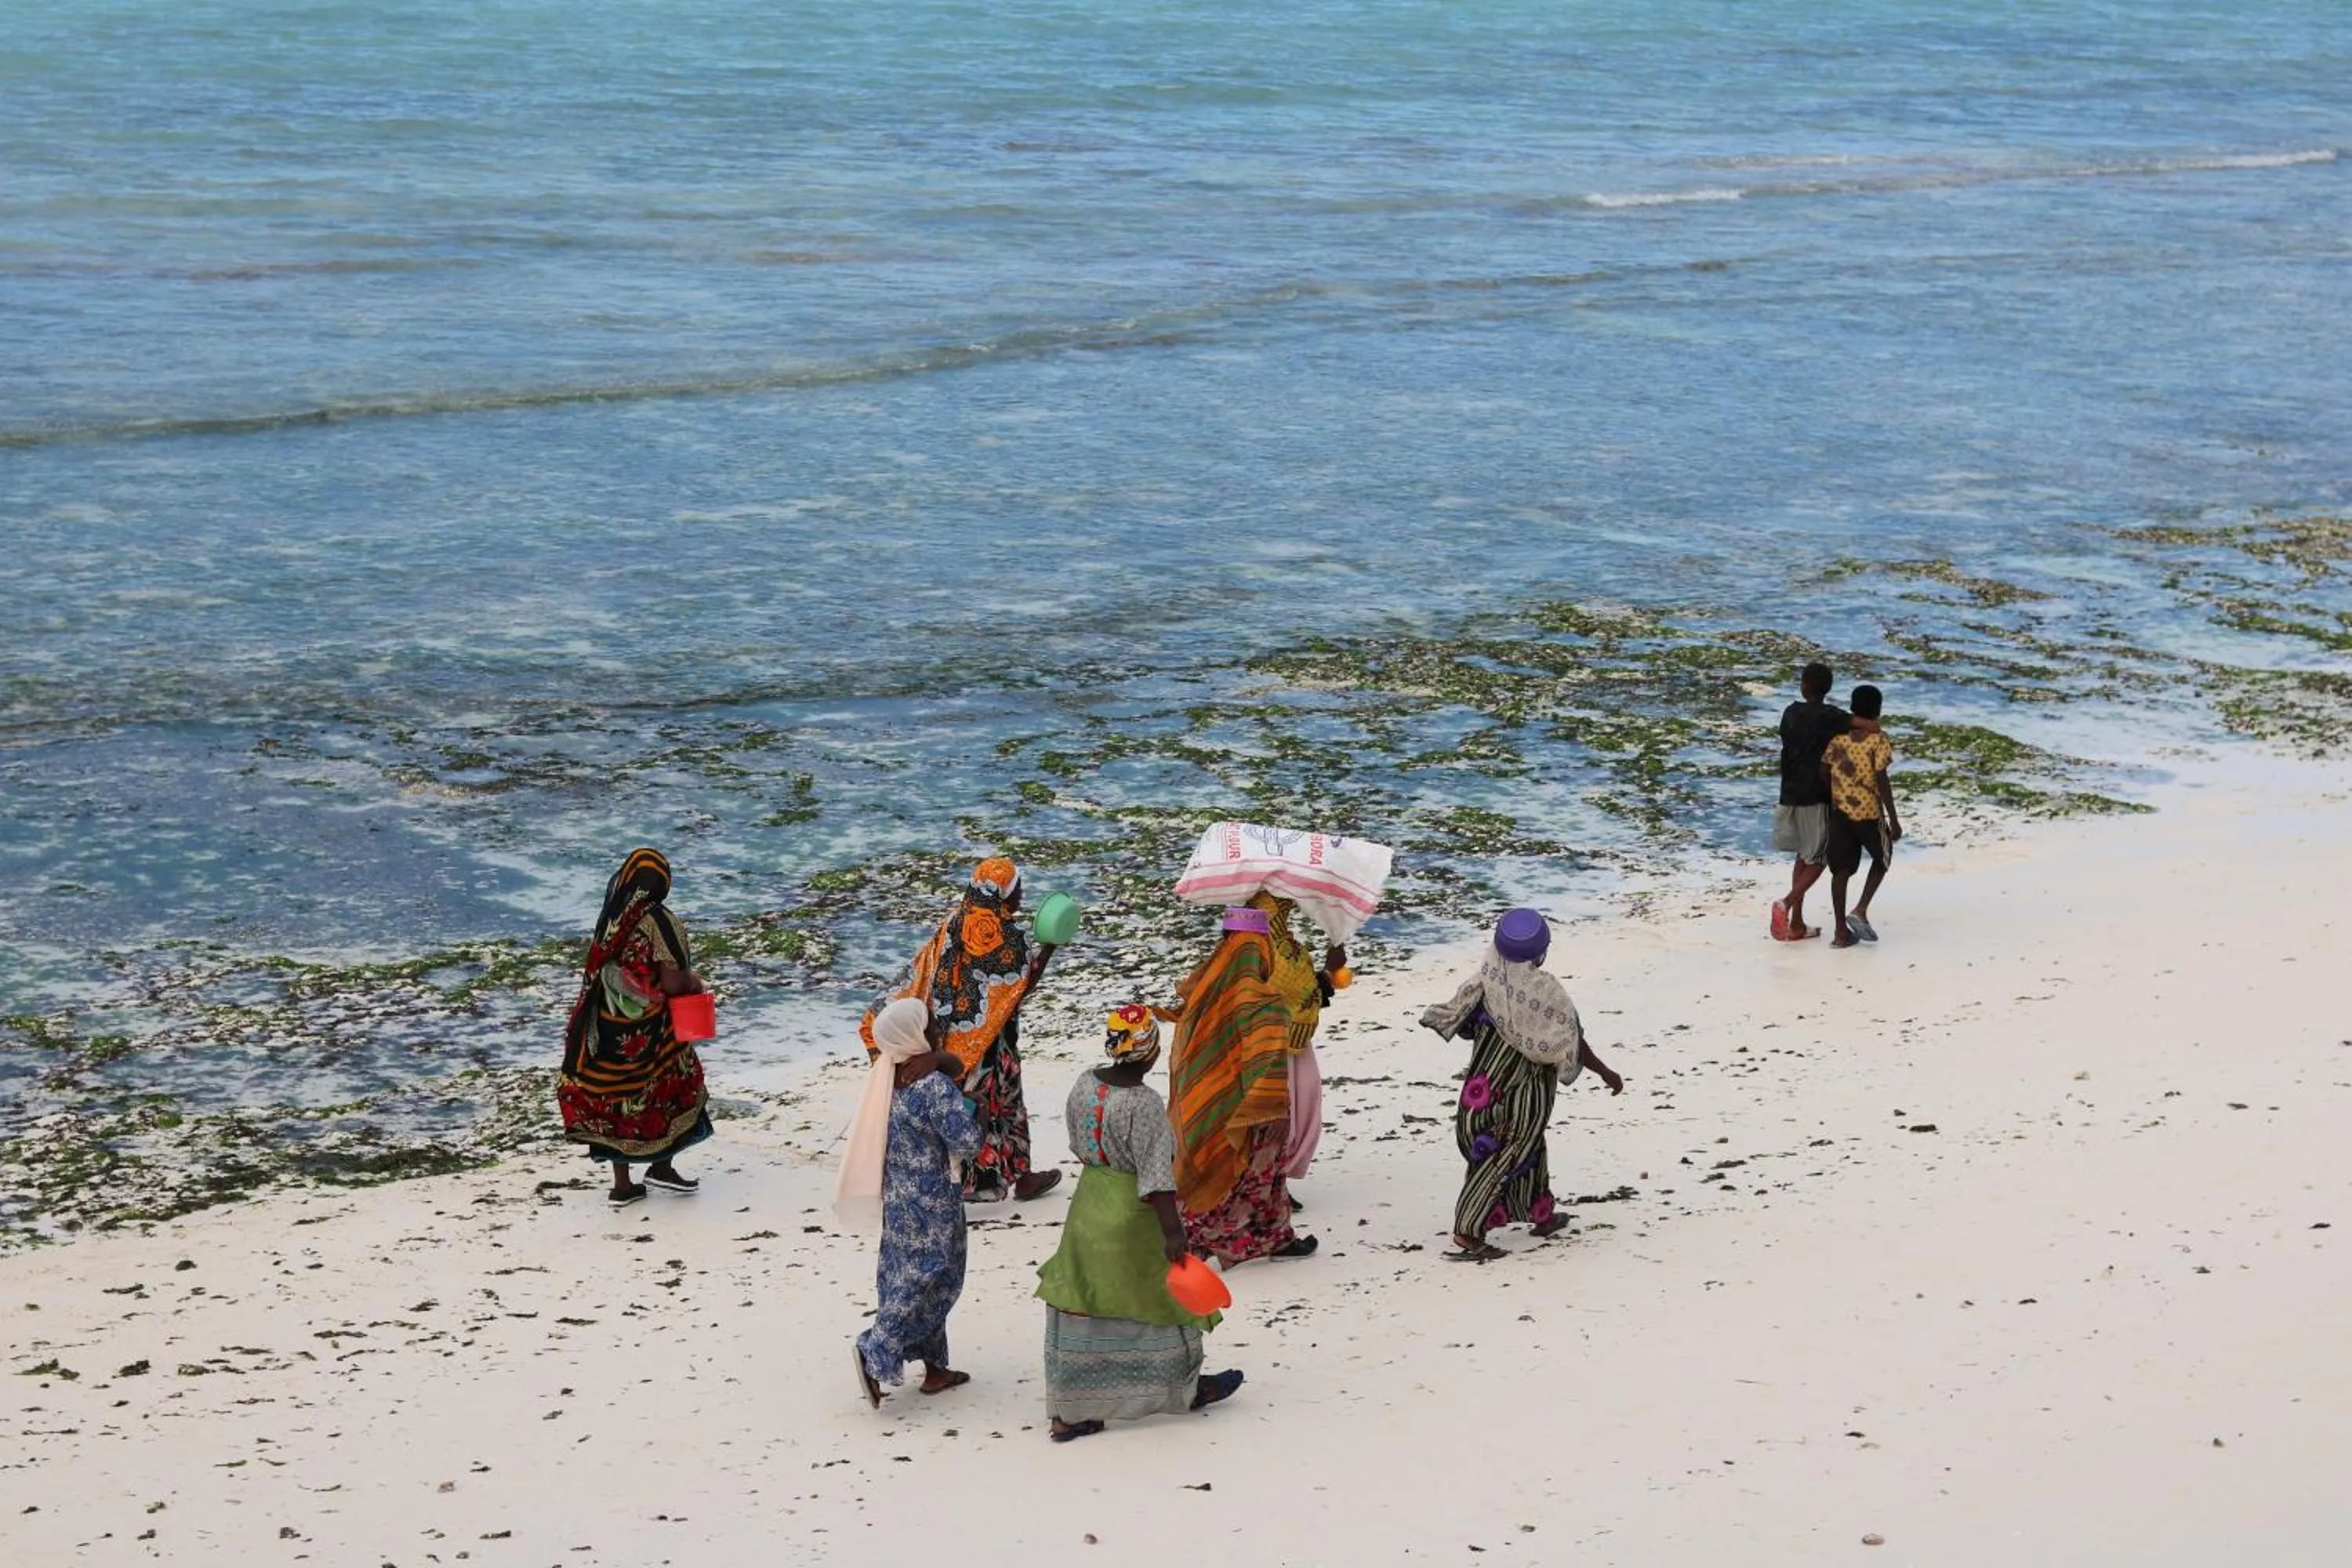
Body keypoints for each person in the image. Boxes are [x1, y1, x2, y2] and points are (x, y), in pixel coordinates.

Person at [1033, 1006, 1246, 1443]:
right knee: (1160, 1299)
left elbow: (1077, 1143)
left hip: (1089, 1203)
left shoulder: (1085, 1084)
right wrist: (1174, 1233)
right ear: (1149, 1052)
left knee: (1084, 1298)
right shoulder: (1144, 1104)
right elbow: (1156, 1178)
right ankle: (1183, 1388)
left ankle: (1071, 1413)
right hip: (1131, 1213)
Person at [1419, 908, 1623, 1263]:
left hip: (1479, 1093)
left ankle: (1540, 1214)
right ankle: (1468, 1231)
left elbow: (1461, 1023)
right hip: (1523, 1096)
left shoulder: (1484, 983)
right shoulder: (1546, 993)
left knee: (1525, 1150)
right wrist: (1605, 1072)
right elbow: (1573, 1039)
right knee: (1506, 1155)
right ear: (1541, 952)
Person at [861, 858, 1062, 1203]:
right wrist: (1050, 947)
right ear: (1003, 893)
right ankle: (1020, 1176)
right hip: (994, 1042)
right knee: (1004, 1104)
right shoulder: (1010, 937)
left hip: (945, 1037)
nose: (1021, 896)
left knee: (959, 1105)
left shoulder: (954, 922)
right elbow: (1021, 986)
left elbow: (925, 970)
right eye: (1017, 890)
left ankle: (967, 1183)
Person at [1163, 891, 1343, 1265]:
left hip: (1213, 1097)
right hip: (1251, 1103)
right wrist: (1272, 1110)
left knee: (1221, 1165)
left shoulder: (1210, 984)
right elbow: (1266, 1059)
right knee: (1258, 1170)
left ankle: (1202, 1235)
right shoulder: (1258, 998)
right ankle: (1262, 1240)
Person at [840, 997, 982, 1406]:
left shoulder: (886, 1079)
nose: (938, 1027)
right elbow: (967, 1143)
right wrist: (982, 1117)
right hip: (935, 1198)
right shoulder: (932, 1086)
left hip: (899, 1197)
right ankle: (876, 1348)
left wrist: (939, 1057)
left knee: (903, 1274)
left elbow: (951, 1065)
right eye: (931, 1023)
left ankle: (936, 1368)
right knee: (933, 1278)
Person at [556, 847, 713, 1207]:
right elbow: (674, 982)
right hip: (650, 1030)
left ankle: (622, 1186)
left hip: (606, 1026)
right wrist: (697, 985)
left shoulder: (613, 918)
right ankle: (661, 1166)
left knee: (616, 1098)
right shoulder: (661, 922)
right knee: (674, 1085)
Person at [1772, 662, 1850, 942]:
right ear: (1827, 689)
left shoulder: (1790, 712)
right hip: (1816, 795)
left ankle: (1797, 924)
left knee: (1802, 856)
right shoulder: (1833, 717)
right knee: (1819, 858)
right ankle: (1787, 902)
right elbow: (1860, 724)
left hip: (1788, 792)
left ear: (1803, 686)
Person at [1821, 683, 1901, 949]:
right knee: (1884, 855)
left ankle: (1840, 932)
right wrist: (1893, 818)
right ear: (1877, 710)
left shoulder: (1837, 739)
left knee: (1840, 870)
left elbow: (1824, 770)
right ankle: (1861, 908)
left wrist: (1834, 796)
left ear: (1853, 707)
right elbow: (1881, 777)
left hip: (1840, 813)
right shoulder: (1878, 740)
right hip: (1868, 813)